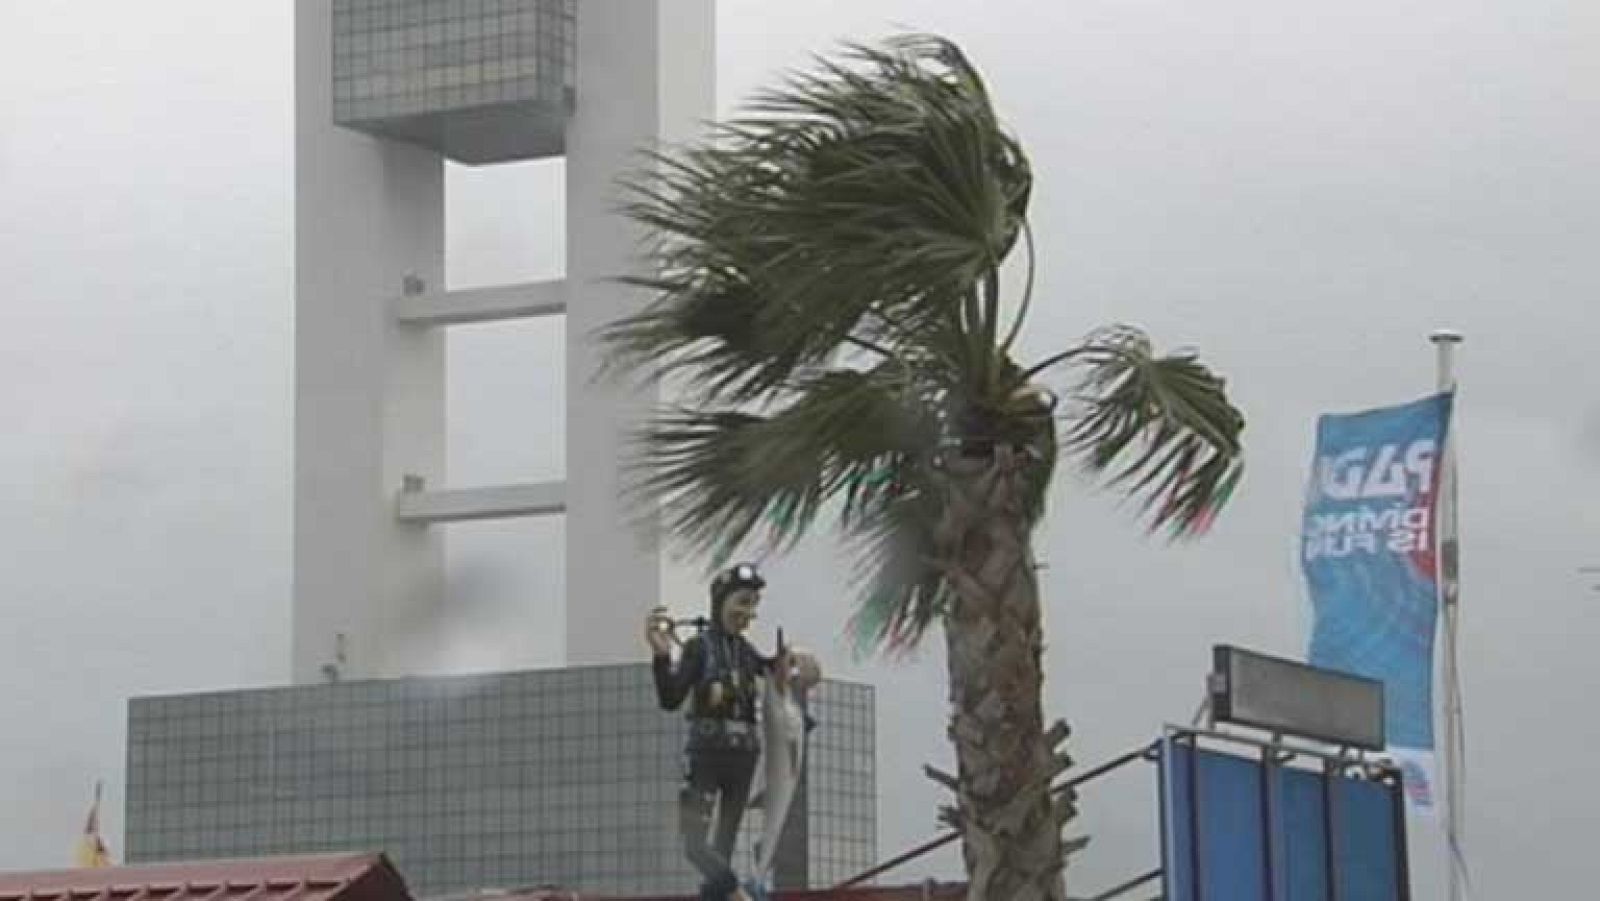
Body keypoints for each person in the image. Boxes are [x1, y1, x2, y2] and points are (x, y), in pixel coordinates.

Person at [645, 563, 820, 901]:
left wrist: (800, 664)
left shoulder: (745, 652)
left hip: (744, 756)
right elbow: (670, 698)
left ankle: (722, 895)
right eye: (742, 602)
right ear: (721, 601)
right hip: (706, 754)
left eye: (753, 604)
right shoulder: (699, 648)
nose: (748, 613)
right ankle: (739, 894)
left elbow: (779, 673)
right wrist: (662, 655)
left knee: (723, 846)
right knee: (695, 845)